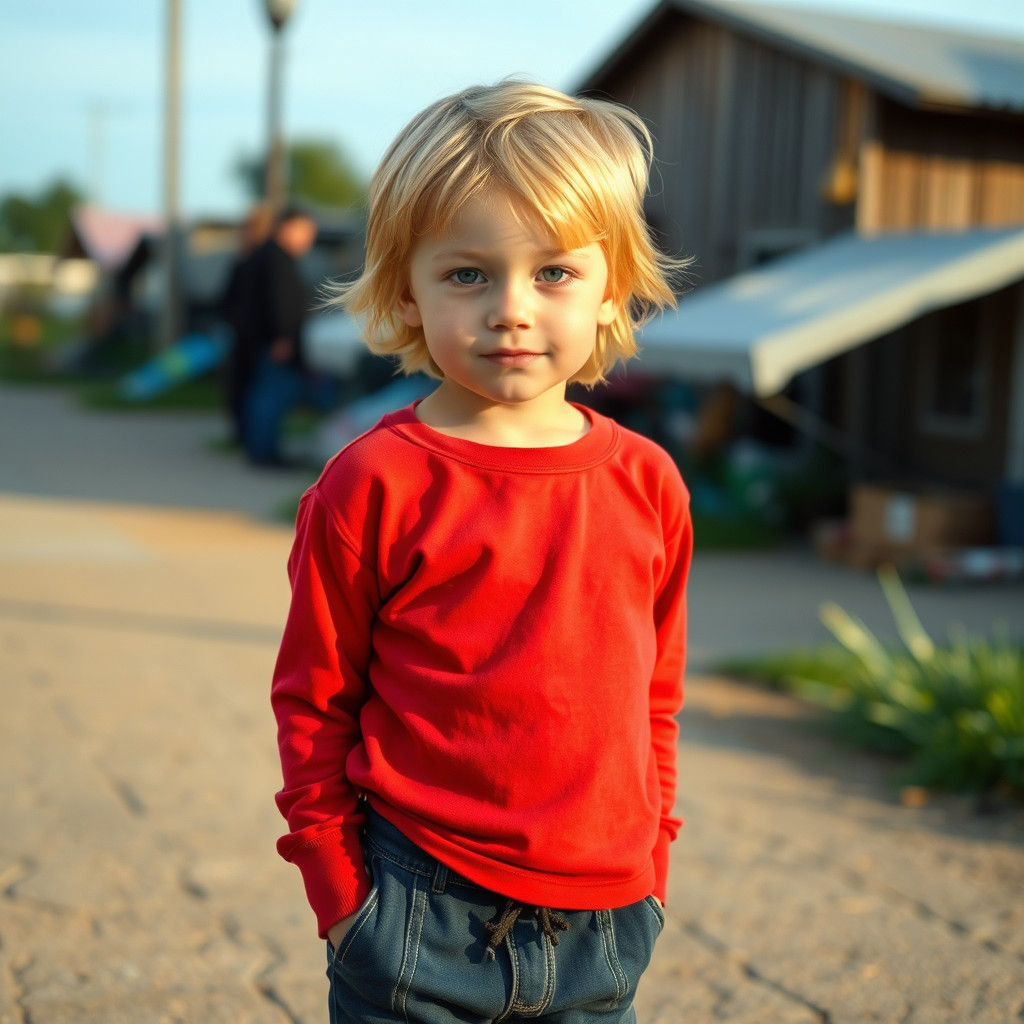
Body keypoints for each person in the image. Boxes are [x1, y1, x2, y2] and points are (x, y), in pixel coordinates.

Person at [271, 81, 694, 1023]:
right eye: (468, 274)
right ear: (408, 293)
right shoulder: (370, 482)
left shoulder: (648, 481)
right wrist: (343, 900)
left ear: (611, 286)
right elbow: (315, 699)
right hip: (415, 912)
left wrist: (654, 863)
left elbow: (653, 694)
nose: (511, 308)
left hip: (608, 917)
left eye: (554, 273)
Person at [243, 204, 320, 465]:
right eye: (305, 232)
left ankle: (263, 449)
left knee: (267, 395)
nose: (309, 239)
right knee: (271, 397)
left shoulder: (271, 255)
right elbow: (280, 302)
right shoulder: (276, 259)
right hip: (276, 343)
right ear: (287, 228)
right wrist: (283, 338)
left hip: (269, 341)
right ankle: (264, 453)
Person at [220, 203, 273, 445]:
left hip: (254, 336)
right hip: (242, 335)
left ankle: (249, 436)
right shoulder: (244, 261)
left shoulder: (259, 259)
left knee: (250, 387)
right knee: (240, 386)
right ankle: (243, 435)